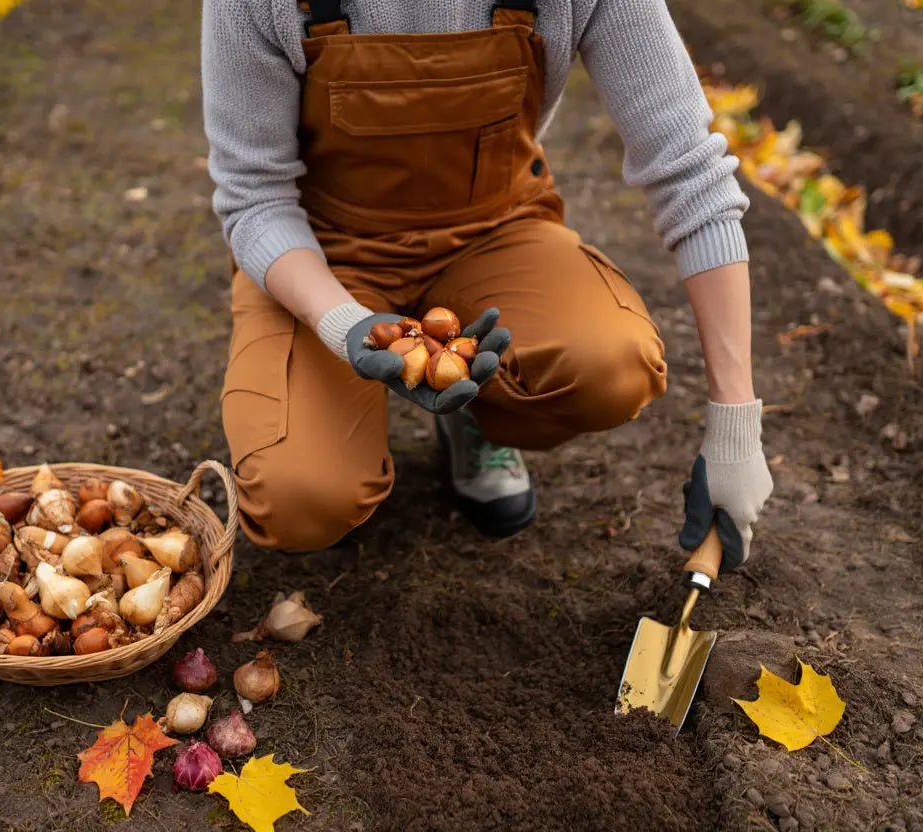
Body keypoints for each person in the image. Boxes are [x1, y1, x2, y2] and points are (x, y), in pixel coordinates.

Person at [201, 0, 774, 573]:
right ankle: (343, 421)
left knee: (613, 366)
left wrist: (735, 430)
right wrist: (342, 324)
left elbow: (689, 167)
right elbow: (255, 197)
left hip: (494, 231)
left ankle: (471, 411)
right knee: (299, 498)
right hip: (322, 250)